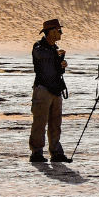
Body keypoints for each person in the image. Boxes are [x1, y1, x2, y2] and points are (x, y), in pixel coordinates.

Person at [31, 19, 69, 163]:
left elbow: (56, 68)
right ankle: (36, 153)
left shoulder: (55, 49)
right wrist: (56, 55)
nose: (61, 33)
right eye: (59, 30)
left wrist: (62, 65)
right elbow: (42, 56)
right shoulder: (39, 47)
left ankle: (56, 153)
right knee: (39, 123)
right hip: (42, 90)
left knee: (55, 124)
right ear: (51, 31)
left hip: (55, 90)